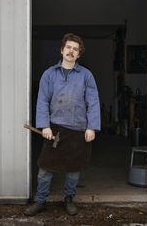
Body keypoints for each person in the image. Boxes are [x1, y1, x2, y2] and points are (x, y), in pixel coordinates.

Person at [25, 33, 101, 216]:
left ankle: (69, 199)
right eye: (68, 47)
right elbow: (42, 101)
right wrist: (44, 126)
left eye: (75, 49)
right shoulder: (49, 74)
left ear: (79, 54)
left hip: (77, 130)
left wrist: (91, 127)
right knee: (45, 169)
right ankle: (41, 200)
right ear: (62, 50)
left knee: (73, 169)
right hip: (55, 129)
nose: (71, 51)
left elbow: (93, 102)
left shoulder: (86, 75)